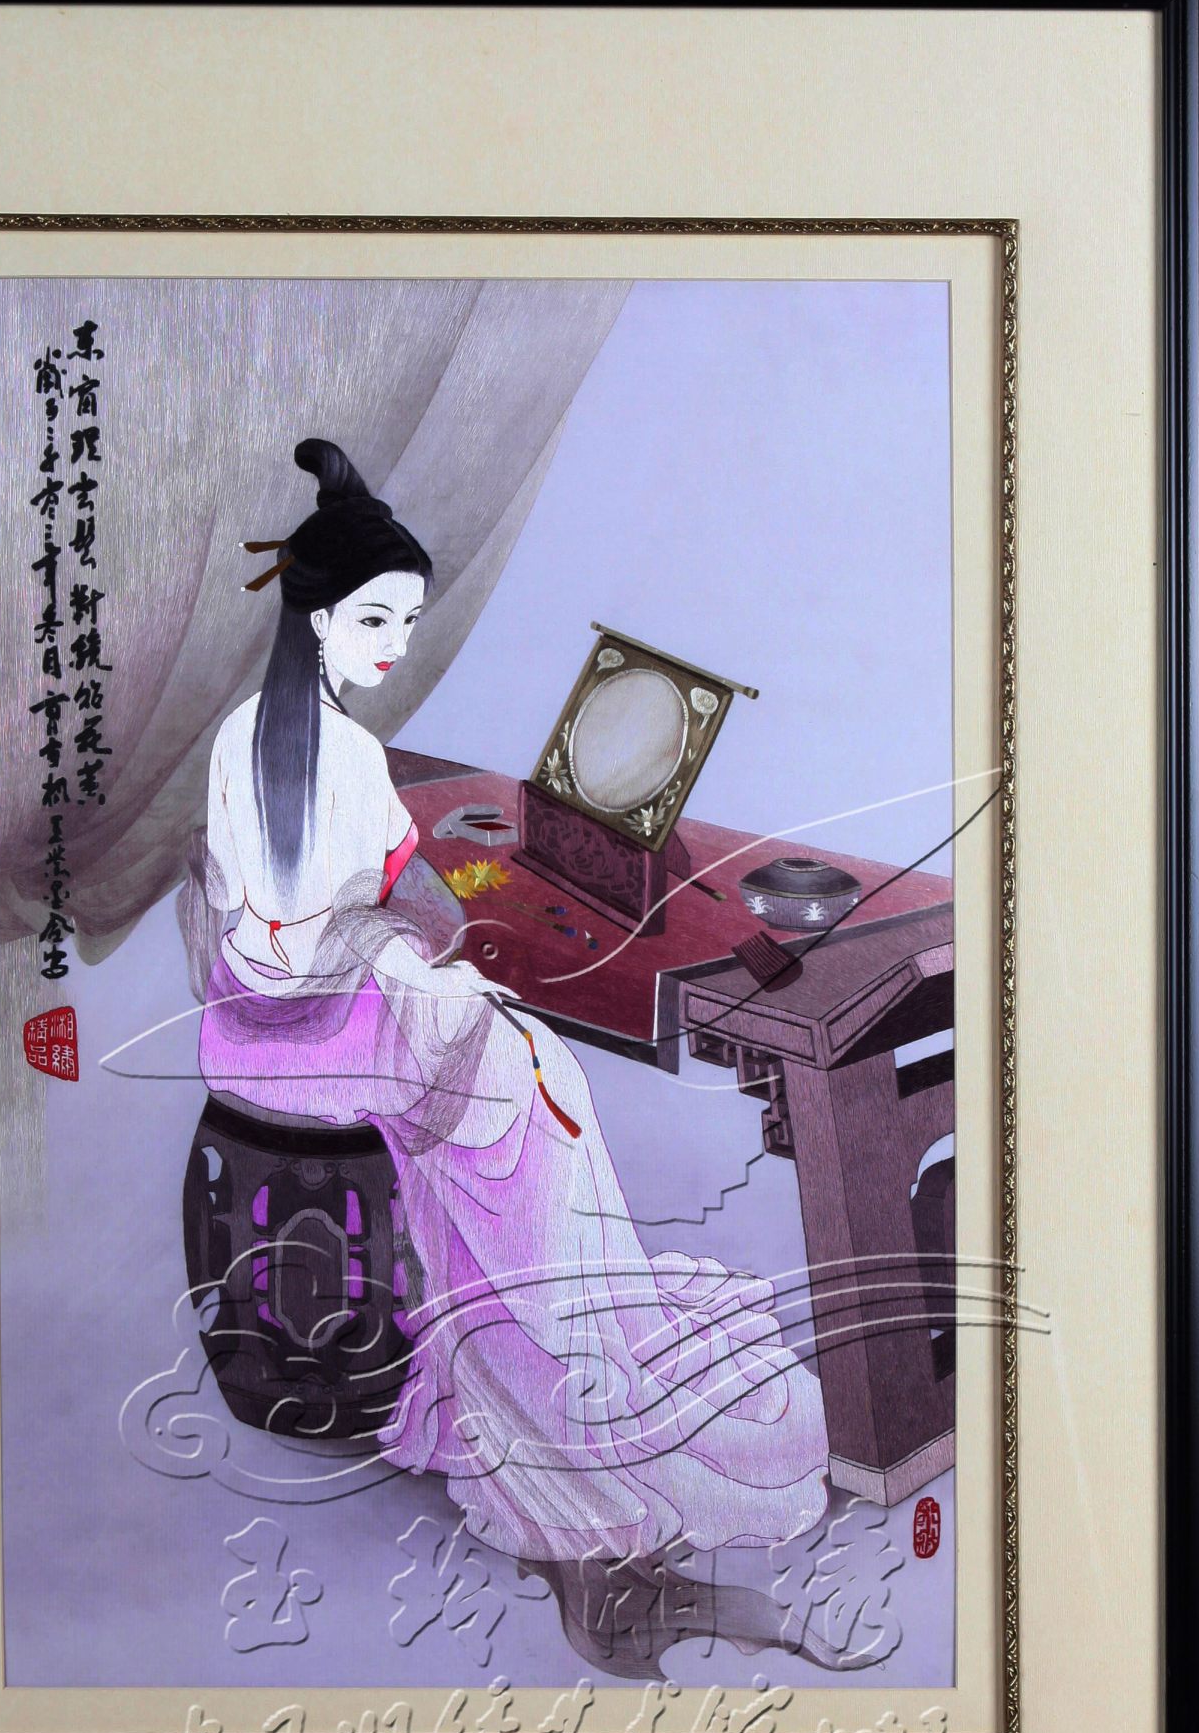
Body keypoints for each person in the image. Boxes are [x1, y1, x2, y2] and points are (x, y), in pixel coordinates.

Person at [183, 437, 830, 1569]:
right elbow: (322, 939)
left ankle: (528, 1320)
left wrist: (403, 943)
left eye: (406, 620)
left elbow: (296, 914)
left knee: (514, 1049)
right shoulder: (337, 751)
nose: (394, 642)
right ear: (317, 617)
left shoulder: (251, 734)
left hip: (247, 1023)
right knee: (540, 1078)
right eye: (374, 619)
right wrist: (419, 965)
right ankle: (552, 1361)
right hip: (314, 1027)